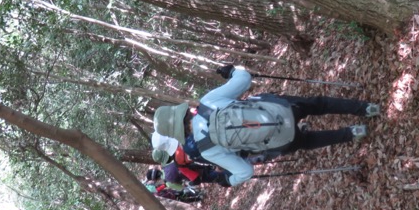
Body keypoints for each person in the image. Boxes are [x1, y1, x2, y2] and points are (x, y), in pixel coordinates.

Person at [151, 65, 378, 186]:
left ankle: (352, 133)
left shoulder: (205, 149)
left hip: (279, 140)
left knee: (309, 141)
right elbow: (244, 79)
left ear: (177, 133)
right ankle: (365, 108)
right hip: (280, 108)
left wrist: (226, 180)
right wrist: (231, 71)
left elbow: (245, 172)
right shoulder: (207, 103)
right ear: (179, 113)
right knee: (319, 104)